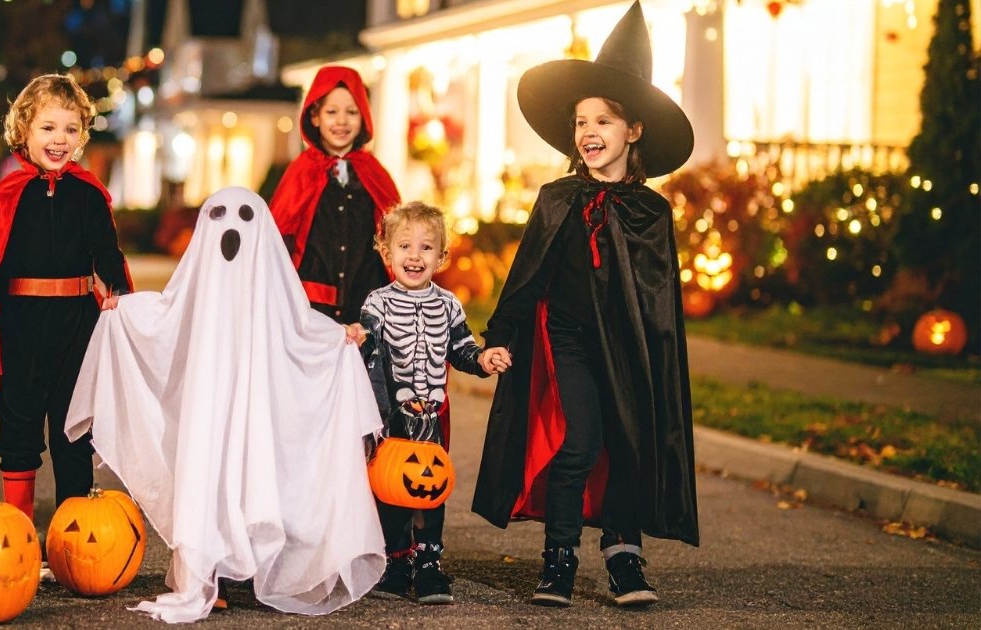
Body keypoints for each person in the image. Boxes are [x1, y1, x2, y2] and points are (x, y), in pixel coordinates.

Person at [65, 186, 385, 624]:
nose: (232, 229)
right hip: (207, 408)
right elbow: (167, 312)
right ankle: (210, 566)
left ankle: (258, 565)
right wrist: (126, 312)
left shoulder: (274, 291)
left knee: (257, 470)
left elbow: (300, 324)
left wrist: (335, 340)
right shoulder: (198, 284)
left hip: (260, 409)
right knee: (209, 469)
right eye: (219, 215)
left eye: (246, 218)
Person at [470, 1, 699, 608]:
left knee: (627, 441)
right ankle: (560, 556)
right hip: (566, 339)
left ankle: (625, 558)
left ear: (635, 131)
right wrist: (498, 334)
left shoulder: (653, 212)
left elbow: (659, 304)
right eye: (580, 122)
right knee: (579, 439)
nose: (589, 132)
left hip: (629, 345)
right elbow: (525, 275)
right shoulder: (557, 198)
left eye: (603, 120)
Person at [0, 73, 132, 527]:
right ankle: (18, 533)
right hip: (20, 326)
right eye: (48, 128)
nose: (59, 139)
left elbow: (107, 251)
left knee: (73, 430)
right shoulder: (9, 194)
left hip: (75, 328)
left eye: (70, 129)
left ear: (82, 135)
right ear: (23, 129)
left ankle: (71, 534)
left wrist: (119, 290)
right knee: (18, 428)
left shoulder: (88, 195)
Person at [350, 201, 506, 604]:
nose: (414, 256)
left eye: (426, 247)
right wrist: (358, 335)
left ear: (442, 256)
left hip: (434, 415)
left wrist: (483, 359)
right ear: (386, 252)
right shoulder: (378, 302)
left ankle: (429, 561)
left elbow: (462, 348)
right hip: (394, 417)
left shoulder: (449, 304)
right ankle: (396, 561)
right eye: (404, 246)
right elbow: (366, 337)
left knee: (431, 486)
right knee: (392, 488)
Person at [270, 64, 400, 325]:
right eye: (331, 112)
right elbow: (278, 236)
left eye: (352, 112)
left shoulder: (374, 172)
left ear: (364, 117)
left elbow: (399, 231)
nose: (342, 121)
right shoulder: (301, 172)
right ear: (315, 117)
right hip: (312, 305)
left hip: (366, 303)